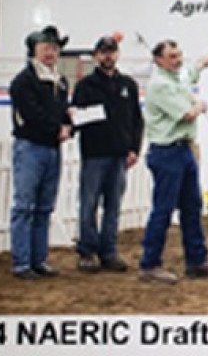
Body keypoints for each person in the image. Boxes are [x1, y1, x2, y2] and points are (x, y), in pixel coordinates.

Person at [139, 39, 208, 284]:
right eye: (172, 56)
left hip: (181, 150)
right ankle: (149, 264)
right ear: (159, 60)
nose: (178, 60)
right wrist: (199, 105)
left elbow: (197, 67)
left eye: (178, 55)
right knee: (163, 210)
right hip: (167, 152)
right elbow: (187, 114)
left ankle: (197, 261)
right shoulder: (160, 85)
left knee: (192, 207)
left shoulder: (176, 77)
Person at [71, 35, 144, 273]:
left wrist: (134, 148)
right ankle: (87, 251)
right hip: (94, 154)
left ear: (118, 54)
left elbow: (136, 120)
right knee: (89, 204)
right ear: (95, 56)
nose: (108, 56)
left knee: (113, 206)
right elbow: (76, 117)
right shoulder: (85, 86)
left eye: (111, 51)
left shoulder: (128, 85)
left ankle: (109, 251)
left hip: (119, 156)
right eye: (103, 52)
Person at [8, 25, 71, 279]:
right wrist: (59, 128)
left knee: (44, 206)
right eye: (46, 47)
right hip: (31, 146)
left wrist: (69, 125)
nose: (50, 52)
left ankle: (38, 259)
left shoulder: (60, 81)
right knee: (24, 205)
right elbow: (32, 115)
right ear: (34, 51)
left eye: (54, 48)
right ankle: (22, 262)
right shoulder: (24, 81)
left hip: (51, 147)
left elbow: (63, 111)